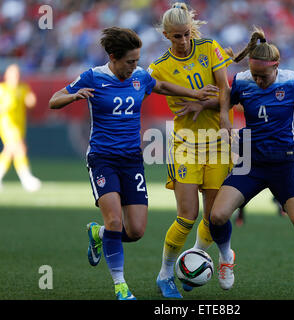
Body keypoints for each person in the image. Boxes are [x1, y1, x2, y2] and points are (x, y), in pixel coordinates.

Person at [49, 27, 218, 300]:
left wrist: (195, 94)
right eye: (130, 61)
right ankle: (120, 286)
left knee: (136, 230)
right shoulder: (93, 77)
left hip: (131, 160)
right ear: (114, 57)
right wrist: (74, 96)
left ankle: (98, 233)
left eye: (137, 60)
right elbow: (53, 100)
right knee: (115, 220)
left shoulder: (140, 77)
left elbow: (160, 85)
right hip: (102, 159)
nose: (135, 66)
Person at [208, 27, 294, 300]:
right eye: (255, 75)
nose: (259, 81)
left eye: (264, 76)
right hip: (251, 162)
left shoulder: (293, 82)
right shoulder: (241, 81)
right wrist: (211, 115)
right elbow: (223, 104)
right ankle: (226, 256)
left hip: (285, 163)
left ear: (277, 67)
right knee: (216, 215)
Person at [147, 2, 232, 298]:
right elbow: (148, 85)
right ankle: (165, 274)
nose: (182, 42)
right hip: (185, 144)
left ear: (191, 30)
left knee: (213, 217)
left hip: (218, 142)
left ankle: (193, 258)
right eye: (175, 37)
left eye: (185, 35)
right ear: (166, 35)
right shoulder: (158, 67)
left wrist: (214, 110)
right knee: (187, 215)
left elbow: (226, 91)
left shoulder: (209, 47)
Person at [234, 110, 294, 226]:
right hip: (246, 137)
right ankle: (240, 208)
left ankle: (280, 199)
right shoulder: (246, 93)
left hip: (269, 141)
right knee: (241, 172)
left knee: (275, 170)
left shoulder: (288, 97)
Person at [0, 64, 41, 192]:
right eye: (13, 74)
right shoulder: (2, 89)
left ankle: (25, 178)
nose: (15, 78)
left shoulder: (23, 88)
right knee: (19, 147)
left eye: (17, 75)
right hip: (7, 123)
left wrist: (31, 100)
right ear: (7, 75)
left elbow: (30, 102)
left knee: (11, 150)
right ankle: (26, 179)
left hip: (20, 124)